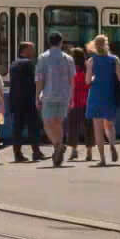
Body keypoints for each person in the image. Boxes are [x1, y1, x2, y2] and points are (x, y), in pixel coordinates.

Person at [34, 33, 75, 166]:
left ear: (48, 42)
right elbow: (72, 79)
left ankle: (57, 145)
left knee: (47, 123)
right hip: (64, 95)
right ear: (61, 42)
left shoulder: (43, 57)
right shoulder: (68, 58)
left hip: (48, 95)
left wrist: (37, 96)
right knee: (58, 123)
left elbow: (39, 79)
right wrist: (71, 97)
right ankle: (59, 145)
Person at [6, 41, 45, 163]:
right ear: (24, 50)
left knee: (17, 127)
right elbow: (34, 81)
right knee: (34, 126)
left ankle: (17, 153)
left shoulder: (13, 64)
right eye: (31, 49)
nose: (33, 52)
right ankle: (36, 151)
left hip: (16, 101)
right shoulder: (29, 64)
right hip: (28, 100)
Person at [86, 35, 120, 165]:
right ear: (107, 45)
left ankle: (102, 159)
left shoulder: (91, 61)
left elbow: (87, 81)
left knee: (98, 128)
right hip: (109, 94)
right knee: (110, 125)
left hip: (96, 95)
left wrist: (95, 78)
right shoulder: (114, 59)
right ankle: (112, 144)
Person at [68, 47, 94, 163]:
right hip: (88, 101)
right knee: (88, 127)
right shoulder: (87, 68)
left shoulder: (71, 69)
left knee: (73, 127)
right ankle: (89, 152)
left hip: (75, 101)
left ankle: (74, 150)